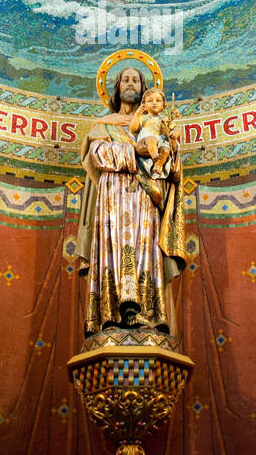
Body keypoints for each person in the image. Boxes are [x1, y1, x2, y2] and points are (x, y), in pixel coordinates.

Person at [76, 65, 185, 336]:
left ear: (144, 88)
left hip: (144, 196)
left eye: (135, 80)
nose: (130, 84)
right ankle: (109, 314)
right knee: (113, 247)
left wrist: (173, 145)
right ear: (116, 87)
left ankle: (147, 313)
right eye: (125, 79)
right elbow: (98, 156)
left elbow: (169, 167)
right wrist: (135, 151)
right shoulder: (104, 125)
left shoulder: (156, 125)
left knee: (144, 246)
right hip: (112, 196)